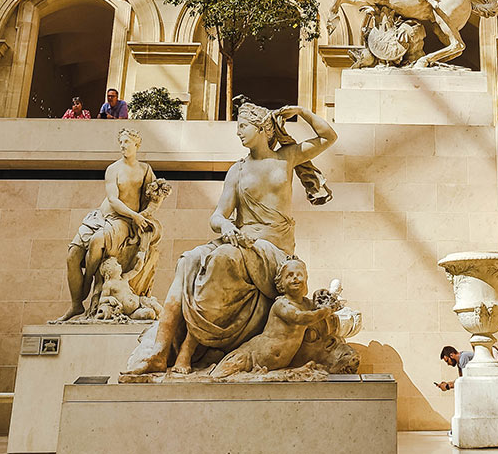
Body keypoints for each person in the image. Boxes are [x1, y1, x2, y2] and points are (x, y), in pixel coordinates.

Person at [123, 100, 336, 377]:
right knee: (188, 260)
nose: (238, 133)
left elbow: (328, 137)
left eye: (244, 126)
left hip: (274, 250)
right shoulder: (237, 171)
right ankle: (159, 351)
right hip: (241, 241)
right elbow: (218, 215)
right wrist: (226, 227)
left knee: (222, 259)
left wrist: (301, 112)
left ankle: (187, 349)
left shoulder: (286, 158)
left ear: (262, 129)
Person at [57, 127, 158, 321]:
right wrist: (135, 215)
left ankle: (88, 282)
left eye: (127, 142)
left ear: (137, 144)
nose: (123, 145)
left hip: (123, 222)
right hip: (100, 217)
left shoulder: (145, 169)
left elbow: (153, 199)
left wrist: (140, 216)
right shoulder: (113, 169)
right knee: (72, 255)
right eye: (121, 142)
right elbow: (112, 199)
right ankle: (76, 305)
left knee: (97, 241)